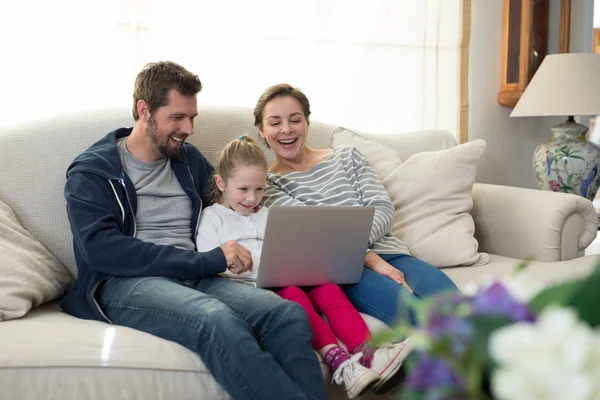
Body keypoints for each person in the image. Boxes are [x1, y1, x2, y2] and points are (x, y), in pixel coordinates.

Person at [60, 62, 327, 400]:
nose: (188, 128)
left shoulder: (188, 161)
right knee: (214, 319)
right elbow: (101, 250)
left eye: (192, 118)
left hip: (194, 274)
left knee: (285, 314)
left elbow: (238, 198)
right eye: (177, 117)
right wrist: (209, 260)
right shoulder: (94, 171)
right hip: (126, 282)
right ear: (145, 111)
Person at [196, 135, 413, 399]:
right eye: (243, 189)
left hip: (290, 274)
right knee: (295, 297)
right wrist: (232, 264)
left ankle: (369, 353)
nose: (252, 198)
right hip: (253, 286)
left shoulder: (269, 215)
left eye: (260, 189)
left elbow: (296, 245)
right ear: (221, 183)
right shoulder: (213, 218)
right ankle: (340, 362)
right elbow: (209, 259)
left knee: (329, 289)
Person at [254, 83, 459, 326]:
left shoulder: (348, 156)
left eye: (295, 120)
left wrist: (365, 250)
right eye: (275, 123)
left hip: (392, 253)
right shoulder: (266, 184)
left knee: (459, 307)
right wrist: (366, 258)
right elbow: (315, 237)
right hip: (344, 271)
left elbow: (382, 208)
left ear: (307, 122)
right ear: (261, 131)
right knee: (415, 318)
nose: (286, 130)